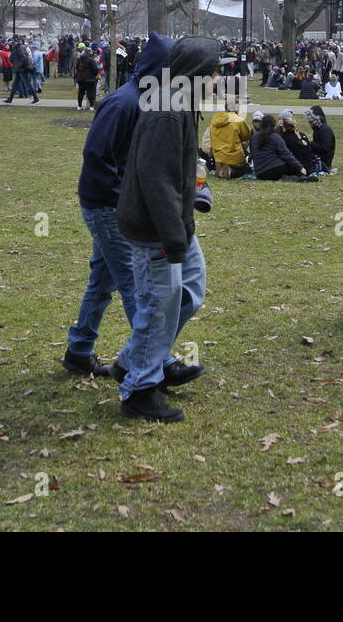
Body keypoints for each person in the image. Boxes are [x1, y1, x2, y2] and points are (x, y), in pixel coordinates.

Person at [113, 35, 219, 422]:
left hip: (175, 226)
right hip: (155, 229)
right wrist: (172, 235)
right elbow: (155, 178)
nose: (217, 79)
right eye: (213, 72)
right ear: (195, 74)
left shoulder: (180, 104)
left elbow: (179, 170)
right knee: (157, 307)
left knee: (190, 290)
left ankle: (134, 361)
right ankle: (140, 389)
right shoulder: (166, 111)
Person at [64, 32, 172, 377]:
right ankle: (155, 362)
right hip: (107, 206)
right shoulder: (122, 102)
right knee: (135, 283)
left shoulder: (149, 101)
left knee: (103, 279)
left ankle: (79, 349)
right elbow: (97, 156)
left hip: (119, 204)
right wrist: (119, 201)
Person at [249, 113, 307, 180]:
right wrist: (300, 167)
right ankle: (301, 178)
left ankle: (290, 178)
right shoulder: (275, 137)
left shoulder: (254, 136)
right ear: (273, 125)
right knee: (290, 165)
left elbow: (252, 152)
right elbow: (286, 154)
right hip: (276, 168)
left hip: (260, 173)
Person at [208, 102, 252, 179]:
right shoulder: (238, 120)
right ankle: (229, 171)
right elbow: (246, 136)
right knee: (248, 170)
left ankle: (221, 168)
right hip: (233, 157)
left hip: (217, 156)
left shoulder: (215, 119)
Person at [277, 109, 315, 173]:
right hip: (308, 168)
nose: (279, 120)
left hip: (297, 169)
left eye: (280, 118)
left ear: (282, 122)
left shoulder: (284, 137)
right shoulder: (301, 135)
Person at [305, 105, 336, 172]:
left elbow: (324, 148)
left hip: (323, 160)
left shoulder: (324, 130)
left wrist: (309, 143)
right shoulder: (318, 128)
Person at [74, 44, 100, 110]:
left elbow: (76, 68)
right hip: (90, 79)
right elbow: (95, 69)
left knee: (81, 93)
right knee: (91, 92)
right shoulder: (91, 60)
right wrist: (94, 75)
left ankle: (79, 106)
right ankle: (91, 106)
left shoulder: (79, 59)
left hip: (81, 78)